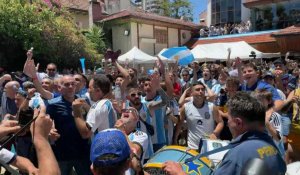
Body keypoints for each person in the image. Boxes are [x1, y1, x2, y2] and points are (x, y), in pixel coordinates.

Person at [163, 92, 286, 175]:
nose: (227, 124)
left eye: (229, 119)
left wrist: (179, 173)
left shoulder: (238, 154)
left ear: (238, 123)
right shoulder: (272, 145)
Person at [47, 75, 91, 175]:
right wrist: (50, 131)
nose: (71, 87)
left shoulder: (84, 102)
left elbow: (91, 121)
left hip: (82, 151)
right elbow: (47, 123)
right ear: (59, 88)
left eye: (73, 84)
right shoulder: (52, 104)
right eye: (67, 85)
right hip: (62, 152)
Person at [174, 81, 223, 150]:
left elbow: (220, 122)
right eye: (197, 90)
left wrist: (215, 133)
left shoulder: (212, 107)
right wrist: (175, 139)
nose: (201, 91)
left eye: (202, 89)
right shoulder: (186, 107)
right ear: (191, 93)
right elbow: (180, 124)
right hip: (192, 147)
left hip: (209, 146)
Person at [73, 74, 117, 139]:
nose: (88, 91)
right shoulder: (107, 103)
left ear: (98, 90)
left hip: (102, 147)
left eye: (90, 88)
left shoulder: (99, 106)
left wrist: (76, 112)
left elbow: (85, 133)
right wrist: (88, 108)